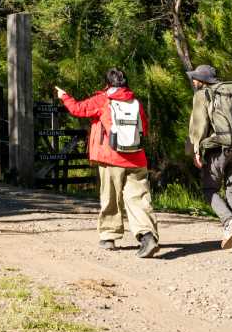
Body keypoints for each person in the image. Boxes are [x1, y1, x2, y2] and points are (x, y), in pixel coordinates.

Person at [56, 68, 160, 258]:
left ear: (108, 83)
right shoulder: (135, 102)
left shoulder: (103, 99)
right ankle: (147, 236)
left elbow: (77, 109)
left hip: (111, 157)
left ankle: (109, 237)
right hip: (137, 158)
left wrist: (64, 96)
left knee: (110, 197)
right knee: (139, 198)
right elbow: (143, 127)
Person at [187, 63, 232, 251]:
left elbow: (199, 125)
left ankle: (229, 223)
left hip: (218, 149)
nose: (193, 80)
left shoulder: (204, 95)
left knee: (209, 189)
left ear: (202, 81)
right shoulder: (231, 93)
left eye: (196, 77)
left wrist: (196, 150)